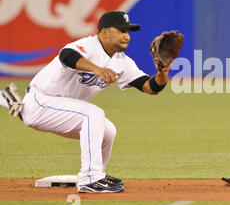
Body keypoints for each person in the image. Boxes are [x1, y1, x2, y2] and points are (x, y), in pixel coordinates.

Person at [0, 10, 183, 193]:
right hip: (41, 101)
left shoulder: (122, 62)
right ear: (104, 32)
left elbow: (150, 87)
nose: (126, 36)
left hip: (62, 109)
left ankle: (98, 175)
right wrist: (96, 69)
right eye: (120, 30)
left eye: (128, 31)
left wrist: (163, 71)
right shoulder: (88, 45)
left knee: (108, 131)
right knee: (92, 113)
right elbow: (66, 55)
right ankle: (89, 178)